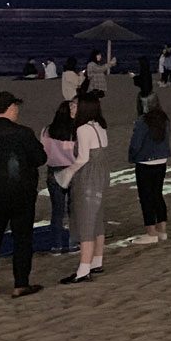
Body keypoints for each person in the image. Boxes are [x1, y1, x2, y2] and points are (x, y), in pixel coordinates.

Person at [0, 92, 47, 298]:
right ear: (11, 107)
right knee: (22, 238)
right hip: (20, 193)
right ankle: (20, 283)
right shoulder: (23, 133)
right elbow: (40, 158)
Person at [56, 94, 110, 285]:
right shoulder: (99, 126)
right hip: (102, 175)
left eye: (74, 105)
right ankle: (97, 260)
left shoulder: (83, 129)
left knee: (86, 220)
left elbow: (83, 158)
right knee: (97, 219)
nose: (71, 109)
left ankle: (83, 269)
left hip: (88, 177)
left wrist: (66, 173)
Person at [128, 94, 171, 245]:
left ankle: (151, 232)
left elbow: (136, 143)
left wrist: (132, 156)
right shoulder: (164, 119)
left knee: (146, 197)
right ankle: (162, 230)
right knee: (157, 194)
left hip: (145, 162)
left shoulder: (142, 121)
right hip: (161, 160)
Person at [40, 100, 78, 254]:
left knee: (57, 210)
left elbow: (43, 152)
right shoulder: (75, 130)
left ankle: (56, 244)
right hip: (72, 170)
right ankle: (71, 242)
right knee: (73, 210)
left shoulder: (47, 130)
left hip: (53, 171)